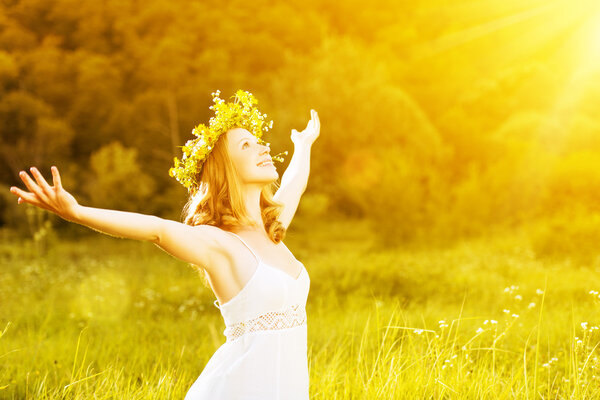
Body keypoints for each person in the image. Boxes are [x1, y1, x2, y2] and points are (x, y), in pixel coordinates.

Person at [8, 90, 320, 400]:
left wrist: (303, 145)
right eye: (246, 145)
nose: (262, 148)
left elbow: (294, 183)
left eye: (259, 141)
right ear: (226, 168)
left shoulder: (271, 229)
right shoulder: (218, 244)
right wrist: (76, 212)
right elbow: (157, 230)